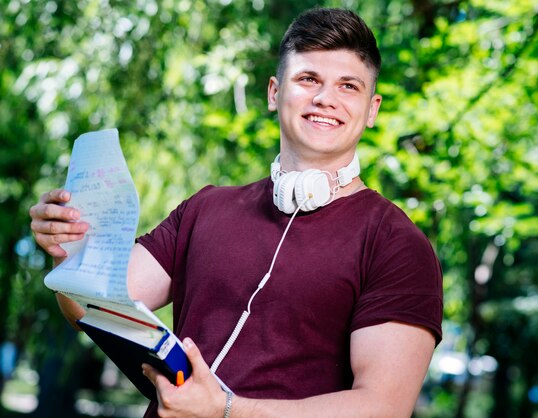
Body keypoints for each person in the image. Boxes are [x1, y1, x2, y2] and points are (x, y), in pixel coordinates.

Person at [29, 8, 443, 418]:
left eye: (348, 86)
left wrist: (226, 410)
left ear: (372, 110)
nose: (325, 99)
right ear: (273, 92)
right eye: (308, 79)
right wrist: (70, 250)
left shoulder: (397, 245)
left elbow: (382, 407)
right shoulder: (205, 208)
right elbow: (89, 309)